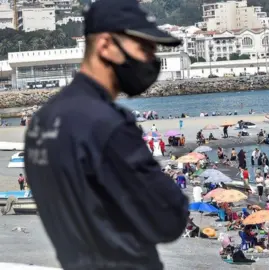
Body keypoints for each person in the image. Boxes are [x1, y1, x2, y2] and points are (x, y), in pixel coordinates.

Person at [23, 1, 189, 268]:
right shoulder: (106, 124)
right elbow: (168, 218)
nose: (151, 60)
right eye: (143, 48)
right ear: (105, 46)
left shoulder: (43, 120)